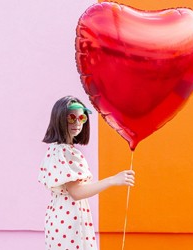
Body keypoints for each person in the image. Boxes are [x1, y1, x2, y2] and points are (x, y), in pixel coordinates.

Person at [38, 95, 135, 250]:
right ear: (59, 119)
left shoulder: (62, 150)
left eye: (81, 118)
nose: (77, 123)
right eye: (71, 118)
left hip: (64, 216)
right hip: (68, 218)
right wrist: (113, 180)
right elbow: (76, 192)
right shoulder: (63, 152)